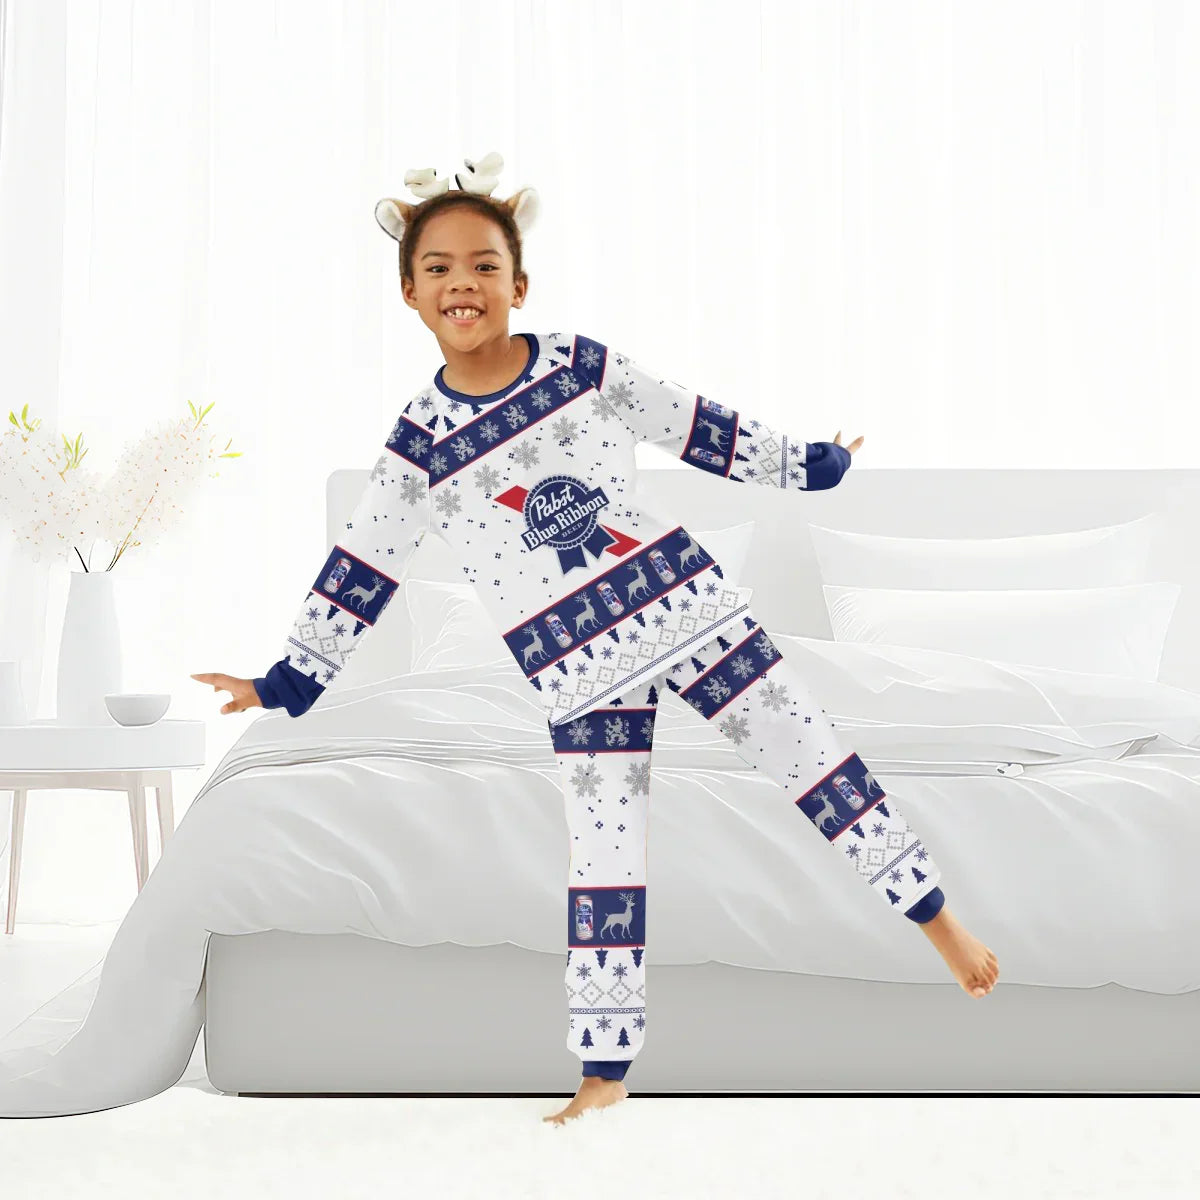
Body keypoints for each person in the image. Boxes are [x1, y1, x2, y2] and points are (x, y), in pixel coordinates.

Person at [192, 151, 998, 1127]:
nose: (464, 283)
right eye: (440, 267)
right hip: (580, 669)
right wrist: (286, 681)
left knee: (814, 758)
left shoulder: (579, 366)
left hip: (689, 609)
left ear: (519, 284)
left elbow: (695, 423)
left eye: (485, 265)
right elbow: (367, 561)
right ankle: (605, 1064)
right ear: (408, 292)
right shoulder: (421, 442)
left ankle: (937, 920)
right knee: (603, 854)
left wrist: (809, 465)